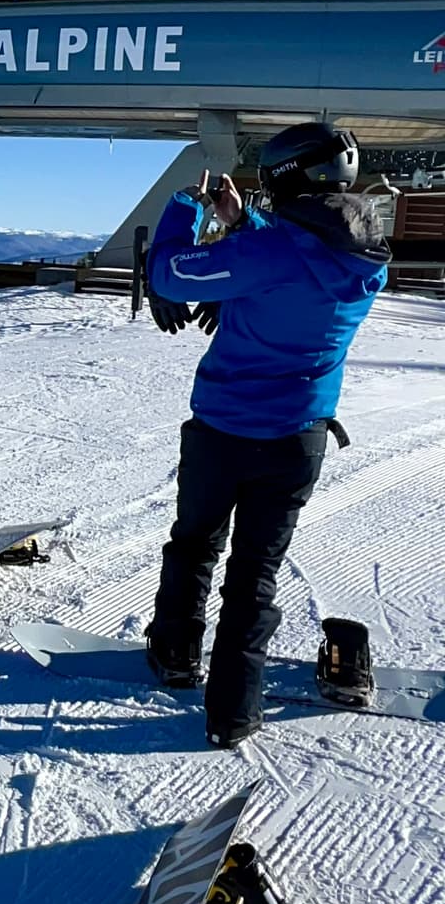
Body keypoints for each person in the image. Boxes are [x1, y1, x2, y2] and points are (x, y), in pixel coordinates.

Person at [144, 120, 389, 746]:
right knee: (255, 573)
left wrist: (186, 207)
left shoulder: (268, 254)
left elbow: (171, 274)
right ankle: (234, 715)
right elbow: (294, 264)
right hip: (297, 439)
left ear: (285, 177)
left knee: (195, 543)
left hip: (224, 429)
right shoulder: (362, 254)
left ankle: (175, 655)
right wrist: (244, 221)